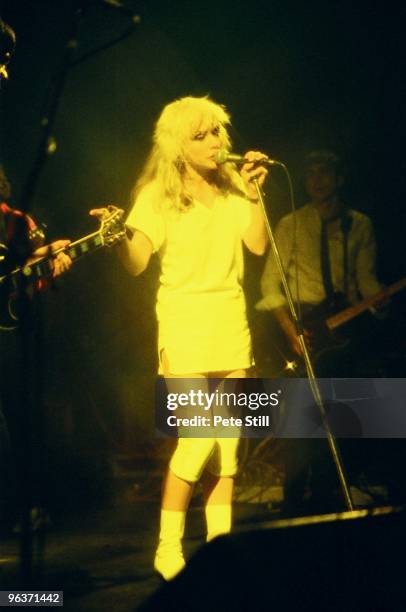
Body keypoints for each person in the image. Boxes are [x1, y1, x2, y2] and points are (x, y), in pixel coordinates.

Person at [91, 95, 269, 580]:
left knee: (228, 445)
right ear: (177, 147)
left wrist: (254, 193)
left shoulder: (235, 187)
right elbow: (136, 263)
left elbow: (256, 246)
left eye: (217, 132)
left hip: (231, 320)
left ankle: (220, 546)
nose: (216, 142)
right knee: (196, 439)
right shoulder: (157, 195)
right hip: (185, 323)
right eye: (202, 135)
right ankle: (168, 548)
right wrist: (117, 238)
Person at [255, 150, 388, 515]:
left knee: (338, 420)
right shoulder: (291, 224)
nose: (316, 181)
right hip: (302, 328)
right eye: (310, 174)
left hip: (342, 332)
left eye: (324, 173)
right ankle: (293, 502)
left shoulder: (358, 225)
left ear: (339, 178)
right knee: (300, 425)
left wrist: (379, 303)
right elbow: (269, 286)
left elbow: (365, 281)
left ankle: (330, 500)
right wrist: (290, 332)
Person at [0, 163, 72, 530]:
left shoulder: (17, 223)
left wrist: (48, 262)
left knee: (18, 421)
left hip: (9, 337)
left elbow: (35, 276)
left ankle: (27, 507)